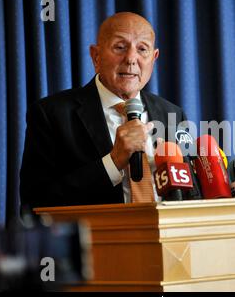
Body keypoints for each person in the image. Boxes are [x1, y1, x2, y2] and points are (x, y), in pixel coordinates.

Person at [20, 12, 201, 209]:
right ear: (95, 56)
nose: (131, 58)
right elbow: (34, 205)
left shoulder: (172, 114)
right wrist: (113, 162)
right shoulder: (51, 115)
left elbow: (192, 196)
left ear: (154, 58)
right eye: (120, 47)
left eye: (142, 49)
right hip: (98, 238)